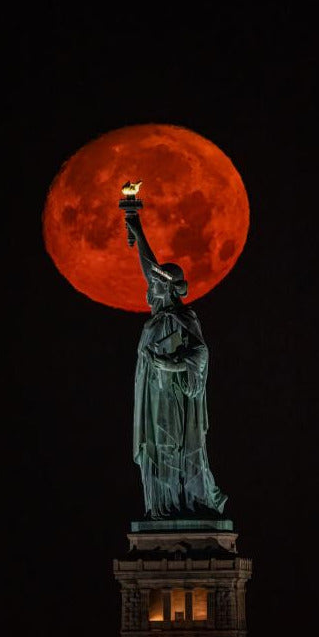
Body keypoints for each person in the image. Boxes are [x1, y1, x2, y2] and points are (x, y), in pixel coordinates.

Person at [123, 199, 227, 519]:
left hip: (177, 395)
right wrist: (136, 228)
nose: (151, 288)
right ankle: (161, 506)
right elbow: (149, 267)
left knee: (175, 448)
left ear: (166, 289)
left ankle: (182, 501)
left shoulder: (184, 317)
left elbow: (201, 351)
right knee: (157, 447)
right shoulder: (156, 320)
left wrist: (174, 364)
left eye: (156, 285)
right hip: (154, 396)